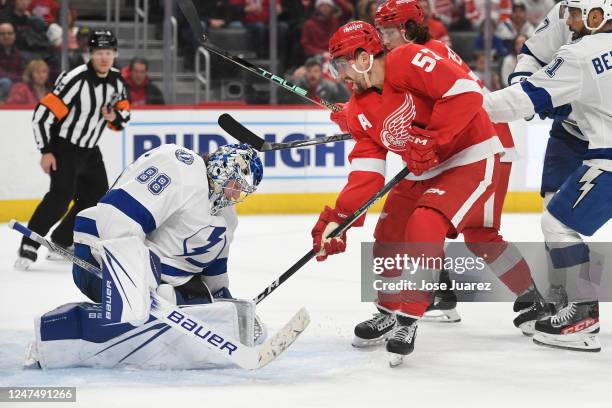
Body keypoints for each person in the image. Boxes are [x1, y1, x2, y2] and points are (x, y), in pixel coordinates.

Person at [317, 19, 504, 366]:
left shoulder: (406, 60)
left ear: (362, 57)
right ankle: (388, 310)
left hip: (468, 157)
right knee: (387, 236)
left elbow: (466, 92)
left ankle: (408, 319)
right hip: (423, 169)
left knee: (424, 225)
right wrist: (340, 218)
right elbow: (367, 173)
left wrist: (433, 137)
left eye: (341, 64)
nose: (339, 75)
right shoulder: (358, 109)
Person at [25, 143, 266, 369]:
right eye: (235, 184)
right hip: (99, 254)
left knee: (194, 309)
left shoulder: (227, 219)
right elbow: (118, 215)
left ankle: (143, 314)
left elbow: (214, 274)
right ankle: (52, 340)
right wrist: (134, 280)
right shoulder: (182, 168)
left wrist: (229, 314)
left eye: (243, 191)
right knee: (146, 307)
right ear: (220, 169)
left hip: (156, 281)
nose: (236, 195)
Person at [484, 0, 612, 352]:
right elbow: (533, 56)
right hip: (576, 134)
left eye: (575, 15)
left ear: (596, 16)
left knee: (558, 223)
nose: (568, 20)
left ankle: (583, 311)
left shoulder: (581, 52)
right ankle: (568, 296)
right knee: (561, 213)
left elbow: (525, 98)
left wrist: (467, 106)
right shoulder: (573, 28)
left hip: (604, 150)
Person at [14, 30, 131, 270]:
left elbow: (124, 115)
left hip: (90, 150)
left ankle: (62, 239)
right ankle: (28, 245)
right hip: (64, 147)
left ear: (115, 54)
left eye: (108, 52)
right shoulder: (76, 79)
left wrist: (114, 116)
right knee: (61, 195)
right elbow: (42, 115)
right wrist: (46, 150)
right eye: (99, 53)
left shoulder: (117, 81)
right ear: (90, 54)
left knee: (96, 199)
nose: (104, 58)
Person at [281, 56, 350, 104]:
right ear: (305, 72)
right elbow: (280, 92)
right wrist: (293, 78)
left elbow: (346, 98)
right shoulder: (297, 84)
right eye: (309, 71)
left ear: (321, 73)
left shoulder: (329, 86)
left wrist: (338, 83)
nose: (312, 74)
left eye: (315, 71)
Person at [0, 22, 23, 100]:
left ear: (14, 35)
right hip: (4, 82)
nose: (6, 36)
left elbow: (22, 71)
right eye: (3, 34)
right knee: (6, 82)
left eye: (9, 33)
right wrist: (16, 79)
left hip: (14, 81)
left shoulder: (18, 52)